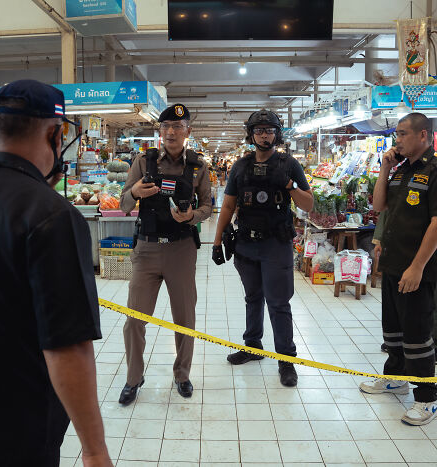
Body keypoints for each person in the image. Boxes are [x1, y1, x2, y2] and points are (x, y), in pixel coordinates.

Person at [0, 80, 111, 466]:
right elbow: (69, 346)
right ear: (55, 133)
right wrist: (94, 450)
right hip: (17, 420)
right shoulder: (52, 215)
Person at [359, 112, 437, 426]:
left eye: (402, 134)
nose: (397, 140)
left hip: (417, 269)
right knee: (395, 332)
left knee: (417, 336)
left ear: (423, 136)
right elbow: (378, 206)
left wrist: (416, 268)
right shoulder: (400, 169)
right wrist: (385, 167)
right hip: (393, 264)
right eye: (396, 134)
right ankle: (395, 377)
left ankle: (428, 399)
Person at [118, 103, 212, 405]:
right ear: (160, 131)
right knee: (134, 319)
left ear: (188, 132)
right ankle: (134, 378)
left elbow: (209, 206)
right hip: (146, 250)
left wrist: (192, 216)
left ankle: (182, 374)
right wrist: (135, 194)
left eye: (177, 127)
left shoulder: (198, 166)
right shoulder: (144, 162)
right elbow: (122, 205)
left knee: (184, 318)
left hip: (181, 250)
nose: (171, 132)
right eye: (166, 127)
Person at [211, 110, 314, 387]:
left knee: (279, 303)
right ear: (251, 134)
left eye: (269, 130)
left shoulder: (289, 164)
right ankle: (253, 346)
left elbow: (308, 205)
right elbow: (229, 205)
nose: (264, 135)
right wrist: (217, 240)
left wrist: (288, 184)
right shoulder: (241, 167)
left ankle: (286, 360)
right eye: (259, 130)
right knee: (252, 298)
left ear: (277, 134)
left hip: (276, 245)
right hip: (245, 244)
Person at [374, 211, 437, 363]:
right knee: (401, 296)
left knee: (436, 295)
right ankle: (404, 340)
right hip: (401, 246)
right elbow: (390, 206)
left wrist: (419, 265)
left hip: (429, 248)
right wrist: (380, 237)